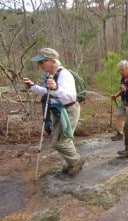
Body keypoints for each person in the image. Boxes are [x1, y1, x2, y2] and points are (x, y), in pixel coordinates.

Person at [23, 48, 85, 176]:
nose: (40, 65)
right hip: (59, 111)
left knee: (60, 141)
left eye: (42, 62)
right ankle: (72, 161)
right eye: (39, 62)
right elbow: (48, 92)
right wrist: (33, 86)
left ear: (52, 61)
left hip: (69, 110)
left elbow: (71, 96)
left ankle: (76, 161)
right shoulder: (50, 74)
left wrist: (56, 88)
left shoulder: (64, 74)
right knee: (60, 139)